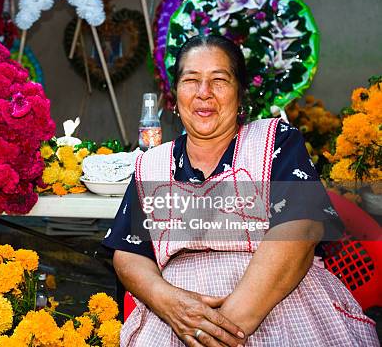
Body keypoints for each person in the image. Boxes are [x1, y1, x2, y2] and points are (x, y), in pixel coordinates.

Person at [102, 35, 378, 346]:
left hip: (279, 309)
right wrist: (169, 303)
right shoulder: (151, 165)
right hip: (178, 322)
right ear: (175, 96)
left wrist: (224, 329)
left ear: (240, 94)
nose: (204, 93)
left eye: (219, 80)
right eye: (191, 80)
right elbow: (129, 252)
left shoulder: (275, 141)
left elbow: (302, 227)